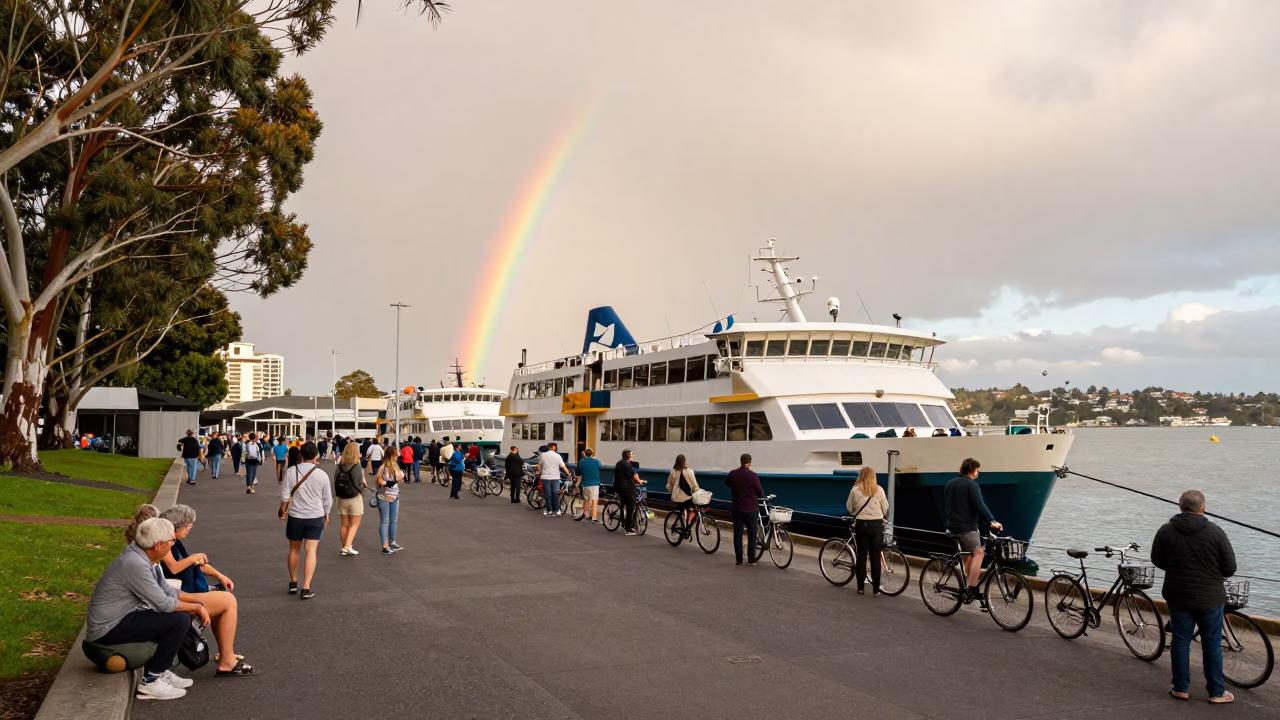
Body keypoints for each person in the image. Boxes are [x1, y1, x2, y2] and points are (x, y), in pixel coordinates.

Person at [1151, 490, 1238, 704]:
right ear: (1204, 508)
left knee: (1181, 640)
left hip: (1178, 594)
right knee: (1212, 643)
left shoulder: (1166, 531)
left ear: (1180, 507)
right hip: (1210, 597)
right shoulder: (1216, 532)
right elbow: (1229, 568)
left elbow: (1157, 559)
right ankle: (1217, 692)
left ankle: (1180, 688)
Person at [943, 458, 1002, 601]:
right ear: (973, 470)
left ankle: (964, 588)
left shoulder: (950, 483)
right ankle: (972, 588)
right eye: (978, 470)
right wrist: (992, 520)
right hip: (967, 528)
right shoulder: (972, 485)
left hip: (952, 526)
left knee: (968, 558)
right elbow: (979, 504)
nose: (978, 473)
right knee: (979, 552)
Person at [279, 442, 332, 600]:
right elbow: (327, 499)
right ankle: (306, 587)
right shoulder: (322, 474)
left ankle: (293, 582)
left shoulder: (291, 471)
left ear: (301, 455)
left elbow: (284, 496)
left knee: (294, 549)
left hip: (296, 515)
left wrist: (283, 510)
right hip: (315, 516)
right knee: (311, 551)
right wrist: (326, 513)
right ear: (316, 456)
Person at [846, 467, 890, 594]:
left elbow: (849, 507)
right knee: (875, 557)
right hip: (877, 526)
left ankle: (860, 588)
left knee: (862, 556)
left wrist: (856, 512)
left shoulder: (855, 490)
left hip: (861, 525)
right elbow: (886, 507)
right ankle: (876, 589)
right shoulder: (879, 490)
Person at [725, 453, 764, 565]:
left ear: (741, 462)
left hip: (737, 508)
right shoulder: (753, 475)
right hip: (751, 509)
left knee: (738, 534)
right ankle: (751, 559)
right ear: (750, 463)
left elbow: (727, 483)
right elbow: (759, 491)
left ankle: (739, 560)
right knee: (752, 534)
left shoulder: (733, 474)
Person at [333, 442, 369, 556]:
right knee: (355, 523)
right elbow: (359, 484)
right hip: (354, 497)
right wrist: (364, 490)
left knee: (344, 524)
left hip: (341, 497)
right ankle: (347, 546)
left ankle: (345, 546)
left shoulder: (339, 466)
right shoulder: (357, 466)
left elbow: (335, 479)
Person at [376, 455, 405, 554]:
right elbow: (380, 481)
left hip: (395, 495)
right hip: (384, 496)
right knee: (385, 520)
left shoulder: (395, 467)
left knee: (394, 520)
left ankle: (392, 542)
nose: (397, 456)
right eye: (395, 454)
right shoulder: (383, 468)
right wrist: (389, 482)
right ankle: (385, 546)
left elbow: (399, 480)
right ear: (391, 455)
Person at [612, 449, 645, 535]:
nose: (632, 457)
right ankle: (628, 528)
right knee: (631, 507)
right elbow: (635, 478)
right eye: (631, 455)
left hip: (618, 487)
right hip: (627, 488)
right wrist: (641, 482)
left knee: (623, 504)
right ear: (629, 456)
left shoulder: (619, 463)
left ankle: (623, 522)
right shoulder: (629, 465)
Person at [666, 454, 699, 529]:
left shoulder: (673, 471)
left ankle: (683, 523)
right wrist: (696, 491)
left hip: (676, 497)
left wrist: (672, 492)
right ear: (684, 461)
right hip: (687, 497)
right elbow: (694, 484)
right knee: (694, 509)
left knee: (682, 509)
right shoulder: (689, 471)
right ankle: (688, 524)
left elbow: (669, 485)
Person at [538, 442, 571, 517]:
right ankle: (556, 510)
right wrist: (568, 473)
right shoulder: (558, 456)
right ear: (554, 448)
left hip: (546, 477)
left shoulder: (542, 455)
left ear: (548, 447)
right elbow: (563, 466)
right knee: (555, 493)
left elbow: (539, 466)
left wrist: (539, 472)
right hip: (555, 477)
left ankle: (549, 510)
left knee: (548, 494)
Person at [576, 448, 603, 522]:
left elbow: (578, 472)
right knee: (594, 501)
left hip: (585, 484)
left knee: (586, 500)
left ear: (585, 454)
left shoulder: (581, 462)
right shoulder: (596, 461)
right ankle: (594, 517)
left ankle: (587, 515)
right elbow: (600, 467)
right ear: (592, 454)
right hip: (595, 483)